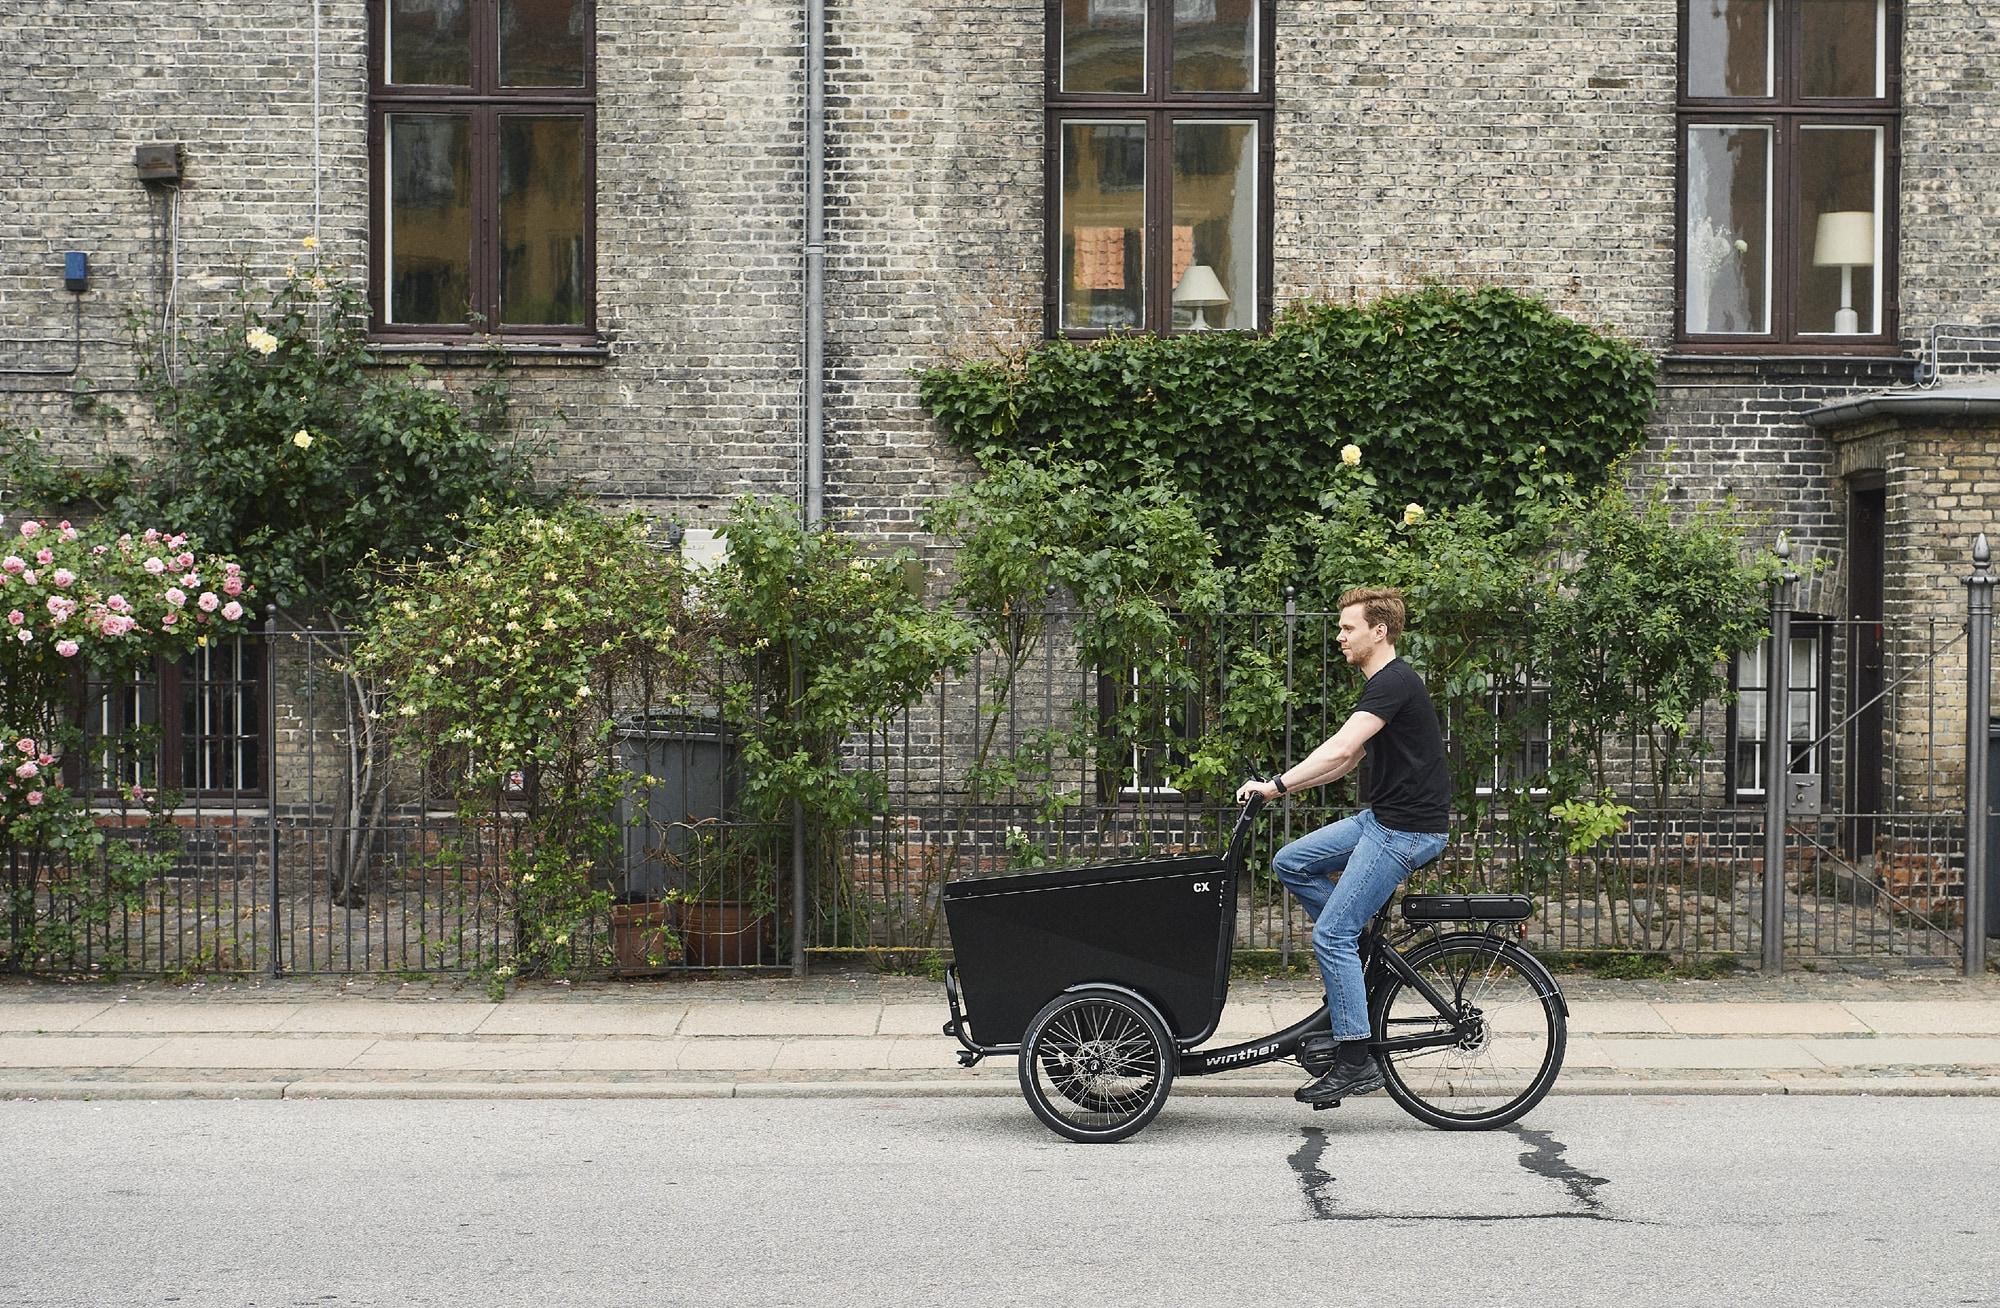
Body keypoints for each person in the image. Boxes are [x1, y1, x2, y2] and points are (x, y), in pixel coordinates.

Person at [1235, 586, 1450, 1106]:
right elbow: (1346, 762)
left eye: (1348, 628)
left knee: (1331, 933)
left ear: (1380, 631)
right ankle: (1353, 956)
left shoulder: (1393, 681)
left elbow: (1341, 748)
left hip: (1406, 830)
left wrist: (1275, 785)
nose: (1340, 637)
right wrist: (1277, 789)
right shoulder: (1383, 685)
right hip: (1381, 820)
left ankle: (1356, 1060)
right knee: (1291, 862)